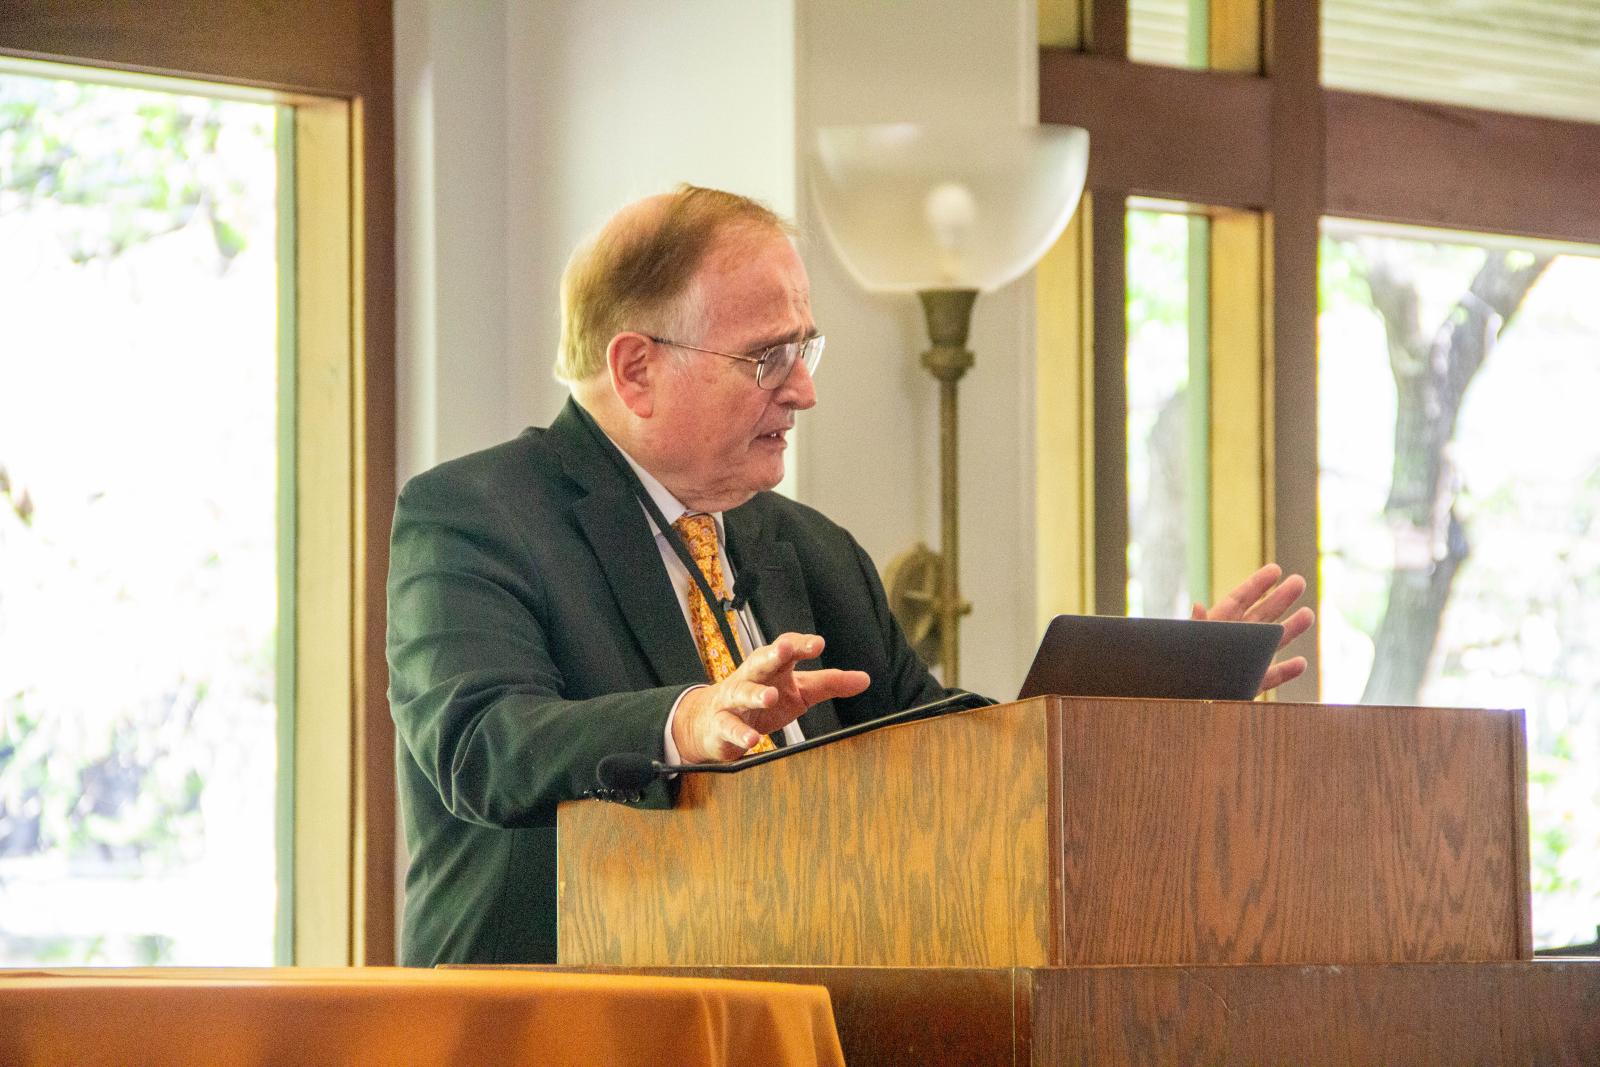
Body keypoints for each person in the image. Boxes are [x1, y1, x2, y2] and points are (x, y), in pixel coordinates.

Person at [386, 185, 1313, 967]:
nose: (803, 390)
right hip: (552, 1024)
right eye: (767, 358)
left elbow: (935, 753)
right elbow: (481, 742)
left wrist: (1142, 705)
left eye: (804, 349)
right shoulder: (476, 514)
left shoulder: (807, 548)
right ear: (636, 370)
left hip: (798, 1017)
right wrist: (687, 719)